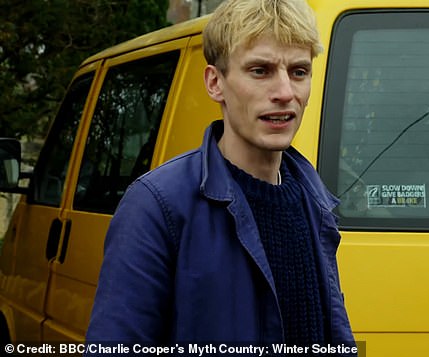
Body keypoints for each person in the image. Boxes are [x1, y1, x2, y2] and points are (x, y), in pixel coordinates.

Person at [85, 0, 356, 352]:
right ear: (215, 83)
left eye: (299, 72)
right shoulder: (157, 206)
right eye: (260, 70)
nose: (286, 92)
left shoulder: (313, 200)